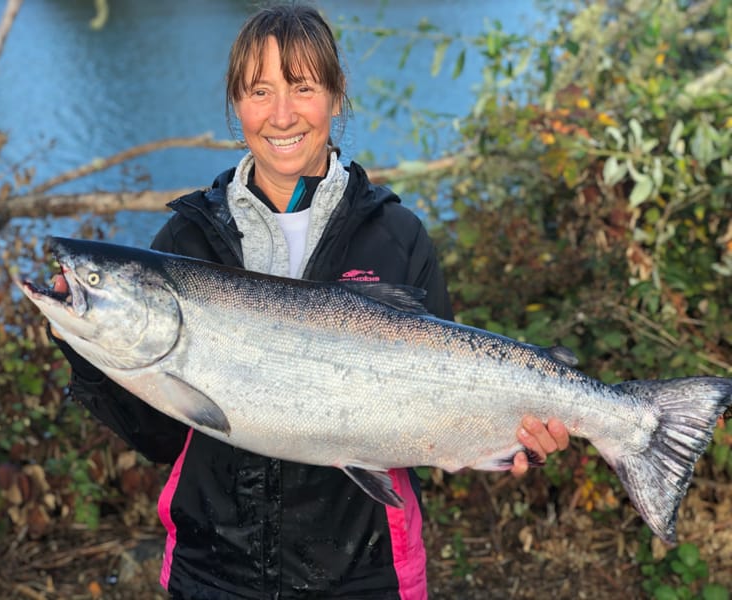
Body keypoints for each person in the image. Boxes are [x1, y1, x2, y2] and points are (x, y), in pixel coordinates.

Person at [50, 4, 569, 598]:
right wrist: (84, 343)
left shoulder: (398, 237)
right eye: (259, 90)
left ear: (336, 95)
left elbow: (448, 397)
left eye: (302, 87)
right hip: (214, 573)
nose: (281, 114)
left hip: (369, 573)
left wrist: (517, 433)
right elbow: (159, 439)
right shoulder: (186, 242)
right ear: (234, 105)